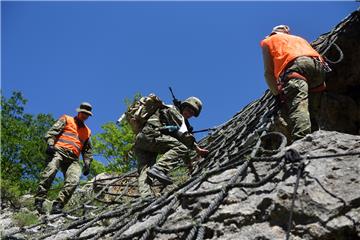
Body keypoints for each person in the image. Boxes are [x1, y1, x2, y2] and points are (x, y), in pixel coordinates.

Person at [261, 25, 328, 142]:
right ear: (286, 31)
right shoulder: (299, 39)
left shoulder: (268, 41)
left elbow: (268, 73)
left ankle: (301, 140)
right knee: (312, 109)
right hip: (318, 67)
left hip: (296, 68)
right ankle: (317, 135)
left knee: (299, 104)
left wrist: (277, 94)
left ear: (272, 33)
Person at [134, 97, 209, 198]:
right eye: (188, 110)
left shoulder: (170, 113)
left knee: (145, 169)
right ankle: (159, 169)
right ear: (183, 107)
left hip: (141, 140)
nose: (189, 114)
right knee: (181, 147)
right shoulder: (174, 111)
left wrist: (189, 166)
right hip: (151, 135)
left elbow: (183, 145)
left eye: (192, 113)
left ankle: (146, 197)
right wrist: (198, 149)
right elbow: (184, 136)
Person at [34, 102, 94, 214]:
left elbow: (87, 150)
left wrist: (87, 163)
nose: (85, 115)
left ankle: (58, 205)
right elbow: (51, 133)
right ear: (79, 112)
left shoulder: (87, 131)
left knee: (74, 180)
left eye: (87, 114)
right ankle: (39, 200)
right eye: (83, 113)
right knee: (49, 172)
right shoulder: (67, 119)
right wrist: (50, 145)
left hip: (73, 159)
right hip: (58, 152)